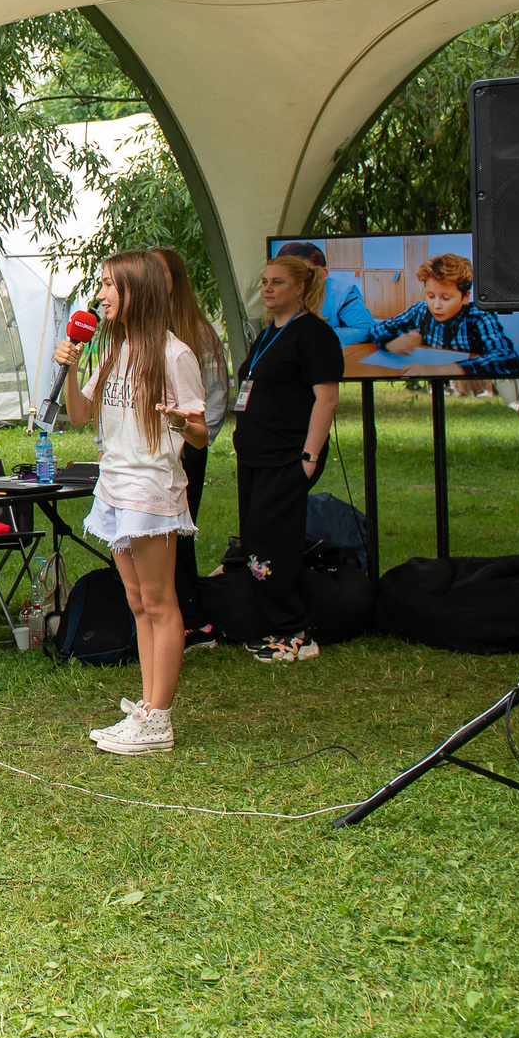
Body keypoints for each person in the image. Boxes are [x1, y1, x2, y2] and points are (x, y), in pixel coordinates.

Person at [52, 251, 207, 755]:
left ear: (136, 290)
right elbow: (79, 415)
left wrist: (180, 421)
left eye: (108, 285)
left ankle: (159, 719)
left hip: (151, 491)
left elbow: (201, 434)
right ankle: (146, 707)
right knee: (138, 601)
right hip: (114, 486)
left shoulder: (173, 354)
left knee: (160, 603)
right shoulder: (115, 350)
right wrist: (71, 369)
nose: (99, 295)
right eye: (100, 285)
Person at [232, 255, 343, 664]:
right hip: (256, 456)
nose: (267, 289)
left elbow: (326, 398)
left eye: (277, 282)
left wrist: (309, 456)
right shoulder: (267, 335)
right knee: (256, 540)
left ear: (300, 287)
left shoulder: (313, 334)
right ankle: (274, 623)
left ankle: (295, 631)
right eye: (264, 281)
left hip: (288, 456)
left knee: (272, 540)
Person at [152, 246, 230, 637]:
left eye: (159, 272)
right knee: (153, 540)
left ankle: (191, 620)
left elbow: (214, 399)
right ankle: (169, 617)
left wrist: (194, 442)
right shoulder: (139, 332)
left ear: (174, 281)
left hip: (185, 450)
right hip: (148, 453)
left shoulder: (196, 333)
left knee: (179, 535)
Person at [362, 252, 519, 379]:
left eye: (446, 298)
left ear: (465, 297)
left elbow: (508, 358)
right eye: (431, 296)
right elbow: (377, 329)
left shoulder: (479, 316)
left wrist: (443, 370)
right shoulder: (420, 310)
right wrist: (389, 343)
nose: (436, 305)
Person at [276, 239, 377, 346]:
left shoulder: (343, 293)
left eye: (301, 272)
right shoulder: (275, 292)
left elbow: (365, 330)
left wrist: (313, 335)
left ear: (323, 274)